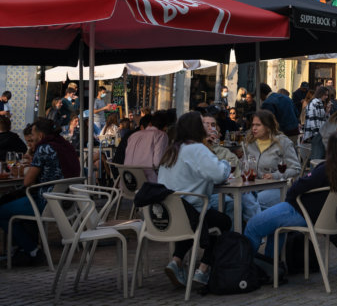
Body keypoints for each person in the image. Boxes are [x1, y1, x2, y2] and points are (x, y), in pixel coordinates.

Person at [243, 132, 337, 265]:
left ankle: (246, 268)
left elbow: (299, 186)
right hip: (325, 216)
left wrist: (290, 197)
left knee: (252, 226)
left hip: (301, 211)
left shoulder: (326, 169)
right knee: (273, 226)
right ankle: (270, 266)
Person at [157, 112, 232, 288]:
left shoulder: (172, 149)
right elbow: (219, 173)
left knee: (199, 220)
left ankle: (176, 262)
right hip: (189, 212)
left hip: (168, 214)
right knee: (222, 222)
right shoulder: (196, 149)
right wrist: (227, 164)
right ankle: (203, 269)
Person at [0, 118, 80, 266]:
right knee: (18, 202)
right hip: (68, 203)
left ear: (41, 135)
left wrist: (30, 165)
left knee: (1, 211)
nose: (33, 138)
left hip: (47, 204)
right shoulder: (65, 145)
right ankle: (23, 248)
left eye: (34, 135)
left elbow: (27, 182)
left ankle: (32, 250)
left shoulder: (44, 148)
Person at [241, 110, 302, 221]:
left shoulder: (283, 142)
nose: (253, 128)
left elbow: (296, 168)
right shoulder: (249, 143)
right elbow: (243, 167)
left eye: (258, 125)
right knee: (238, 201)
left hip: (277, 188)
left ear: (268, 127)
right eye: (253, 125)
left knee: (252, 203)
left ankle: (255, 231)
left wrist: (275, 175)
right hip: (253, 186)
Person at [124, 110, 169, 183]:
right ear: (166, 127)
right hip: (147, 184)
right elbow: (157, 163)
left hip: (127, 182)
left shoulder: (133, 135)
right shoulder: (161, 135)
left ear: (150, 123)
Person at [302, 86, 331, 159]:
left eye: (327, 95)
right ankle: (314, 170)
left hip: (318, 133)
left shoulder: (319, 103)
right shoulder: (315, 103)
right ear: (320, 94)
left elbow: (323, 119)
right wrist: (317, 135)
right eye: (325, 95)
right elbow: (313, 120)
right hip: (316, 134)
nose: (326, 97)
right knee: (317, 156)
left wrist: (327, 111)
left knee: (318, 155)